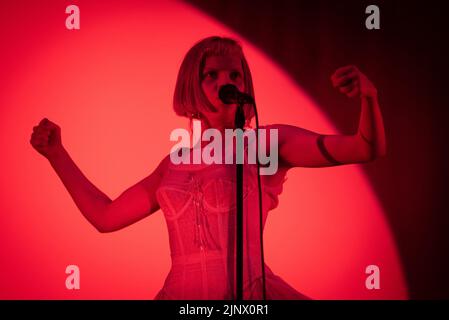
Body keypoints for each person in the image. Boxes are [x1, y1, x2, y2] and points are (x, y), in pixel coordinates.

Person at [30, 36, 386, 300]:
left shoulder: (267, 144)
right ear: (192, 86)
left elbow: (364, 148)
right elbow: (105, 217)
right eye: (211, 75)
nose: (226, 81)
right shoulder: (173, 164)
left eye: (235, 74)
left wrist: (369, 98)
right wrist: (57, 154)